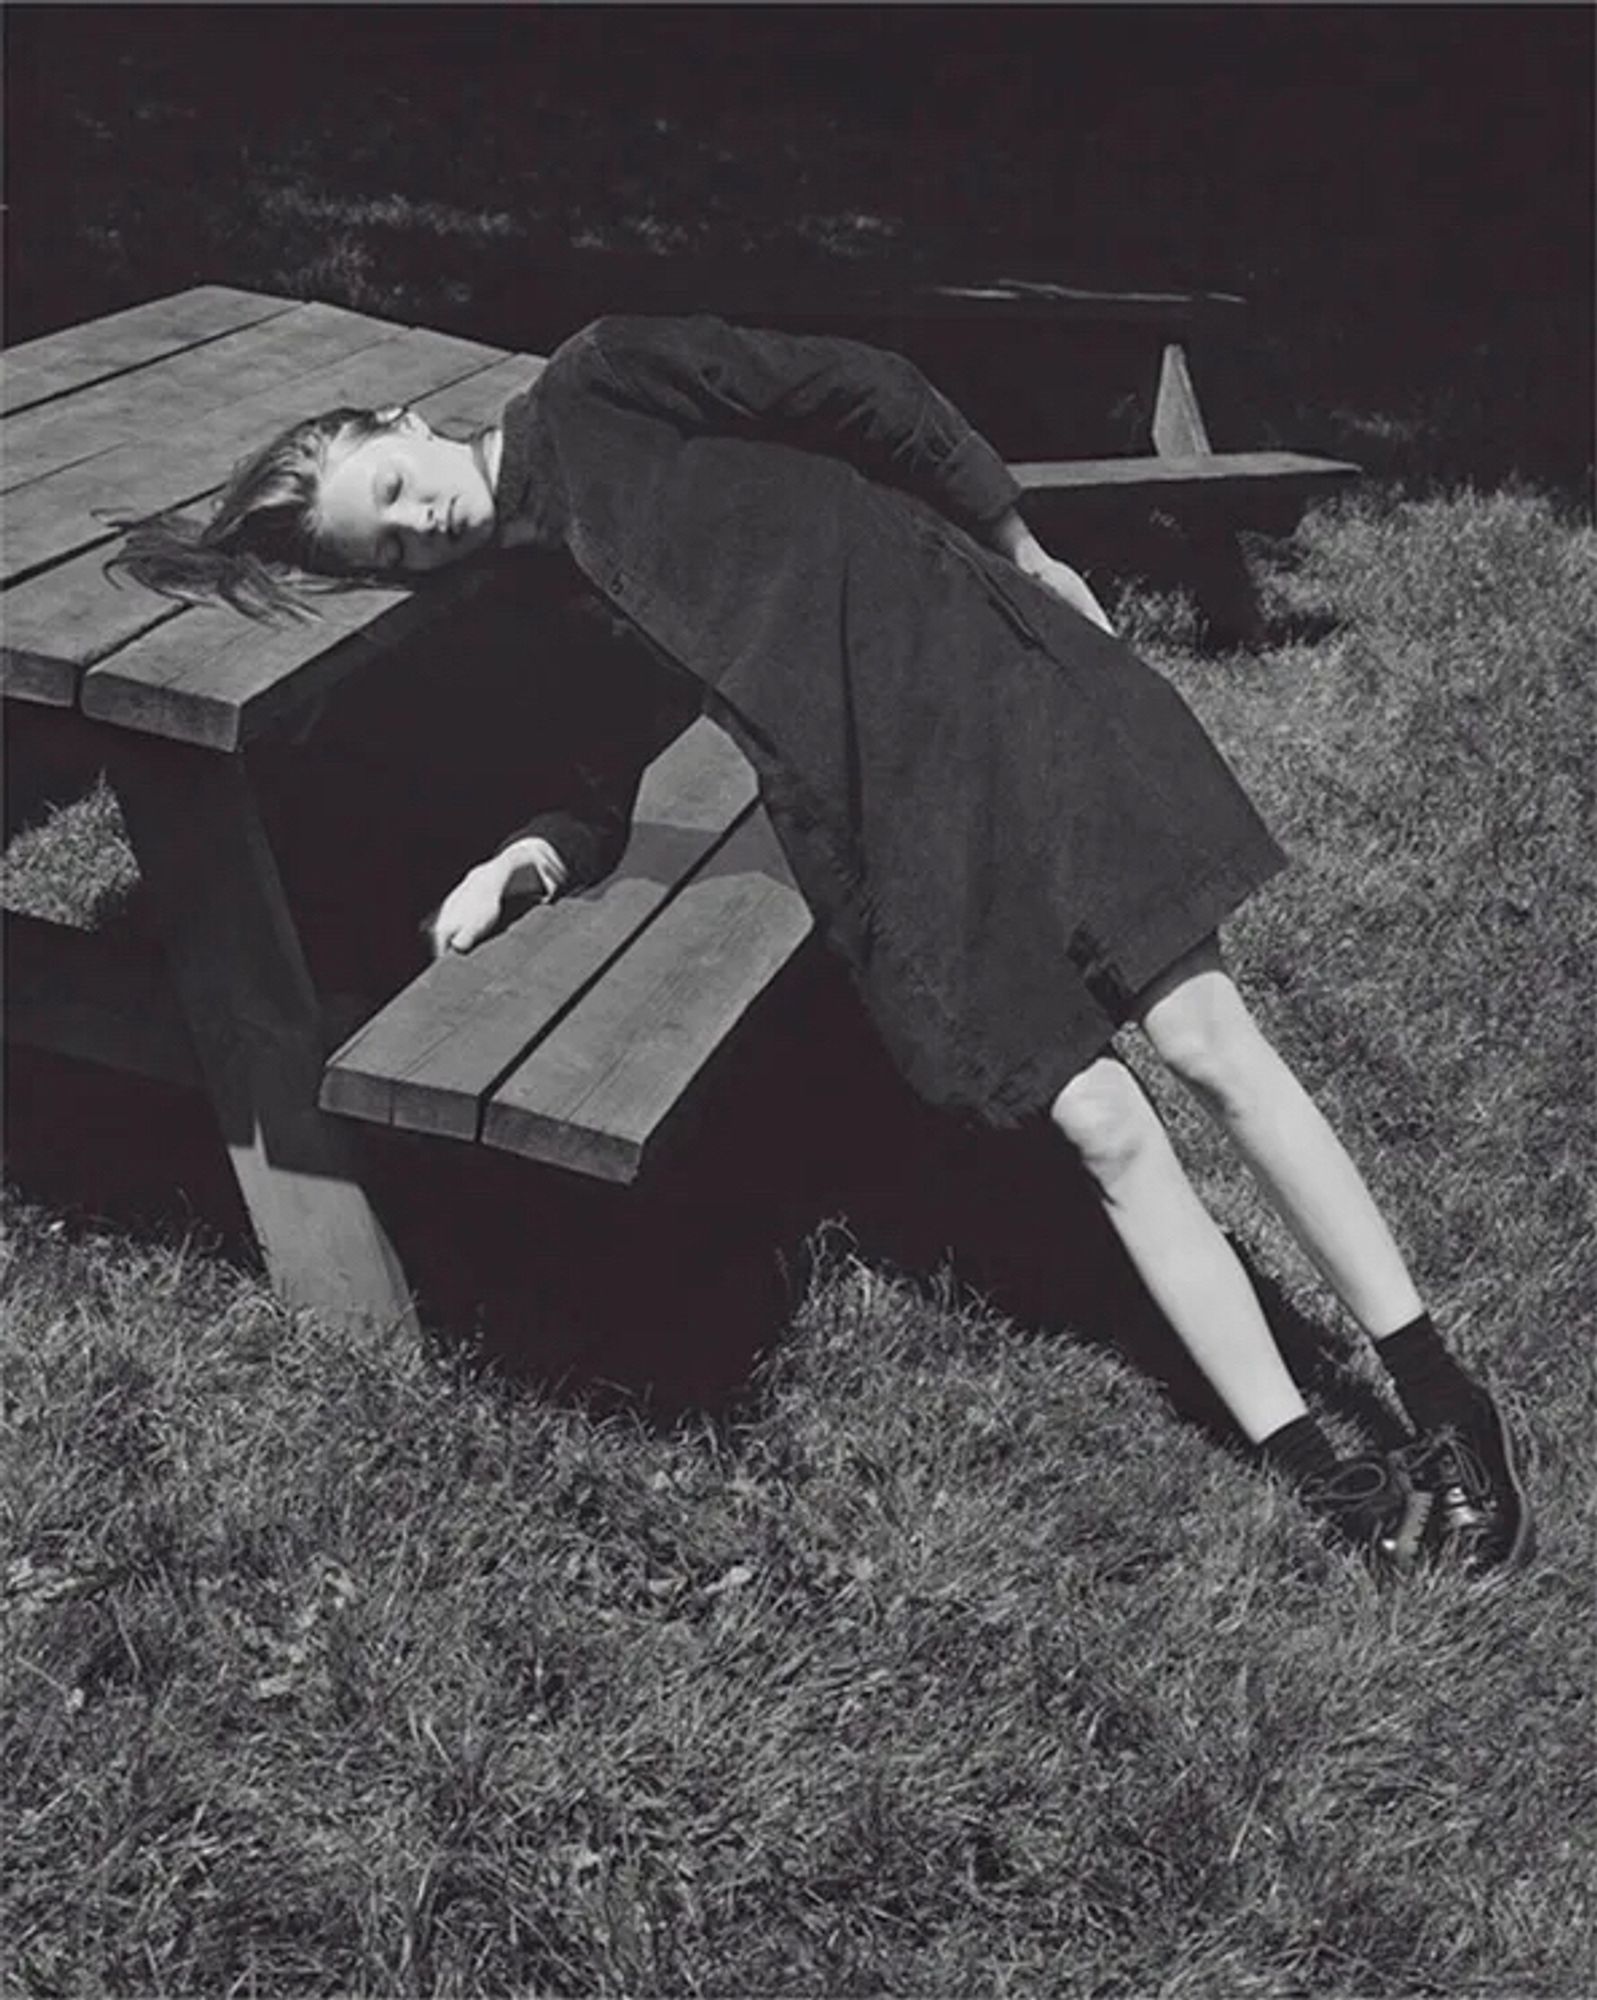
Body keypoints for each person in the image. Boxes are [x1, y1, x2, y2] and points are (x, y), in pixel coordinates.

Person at [109, 312, 1534, 1579]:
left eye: (400, 492)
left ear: (408, 428)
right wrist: (529, 856)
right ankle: (1314, 1466)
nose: (426, 526)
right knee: (1100, 1126)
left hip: (989, 697)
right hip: (879, 824)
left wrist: (1023, 550)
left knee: (1205, 1040)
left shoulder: (601, 380)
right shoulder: (534, 596)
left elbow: (867, 391)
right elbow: (603, 764)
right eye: (397, 548)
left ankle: (1439, 1396)